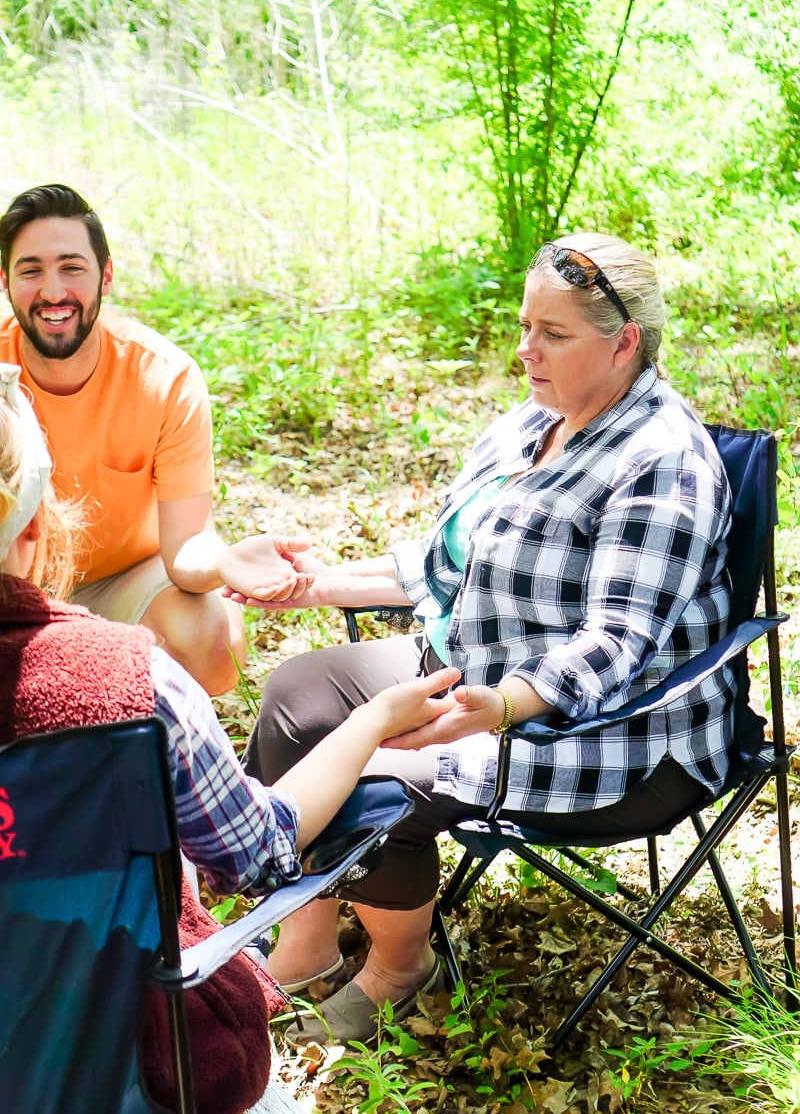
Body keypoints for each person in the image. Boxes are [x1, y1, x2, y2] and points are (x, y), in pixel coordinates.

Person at [233, 232, 736, 1048]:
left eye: (553, 333)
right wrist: (312, 582)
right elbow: (446, 563)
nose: (524, 349)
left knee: (371, 772)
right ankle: (307, 941)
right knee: (298, 700)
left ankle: (401, 967)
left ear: (625, 343)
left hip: (612, 730)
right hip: (478, 671)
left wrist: (499, 705)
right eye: (525, 324)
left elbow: (618, 642)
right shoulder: (530, 425)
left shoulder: (661, 459)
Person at [0, 361, 466, 1110]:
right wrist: (372, 720)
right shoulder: (132, 686)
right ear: (32, 526)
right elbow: (259, 849)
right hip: (126, 1069)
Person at [0, 182, 315, 695]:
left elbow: (188, 542)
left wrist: (226, 562)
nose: (53, 291)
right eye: (31, 270)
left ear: (105, 276)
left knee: (209, 643)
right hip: (11, 584)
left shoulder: (164, 378)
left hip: (120, 579)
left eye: (72, 268)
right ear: (5, 282)